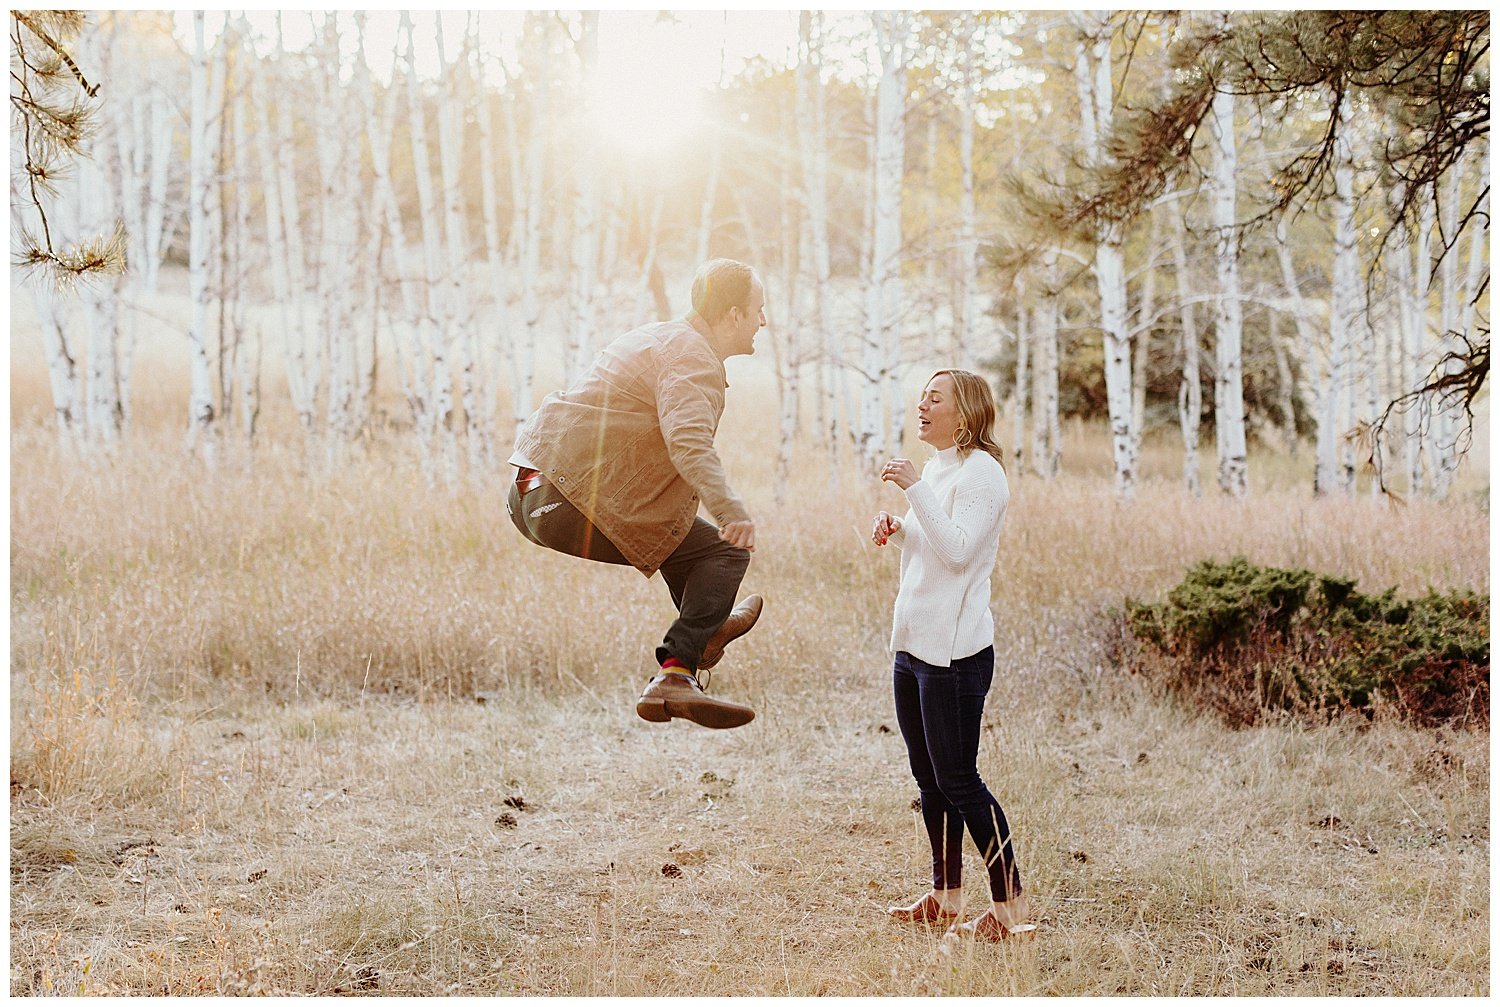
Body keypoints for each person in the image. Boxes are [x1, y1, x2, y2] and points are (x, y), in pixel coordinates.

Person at [506, 258, 766, 730]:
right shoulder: (693, 358)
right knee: (726, 553)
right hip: (567, 496)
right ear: (732, 315)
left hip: (535, 490)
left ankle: (703, 636)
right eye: (757, 310)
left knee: (689, 547)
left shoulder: (662, 336)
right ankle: (679, 669)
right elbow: (688, 442)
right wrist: (731, 511)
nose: (762, 321)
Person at [872, 369, 1036, 942]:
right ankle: (946, 898)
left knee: (959, 779)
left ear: (963, 414)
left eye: (933, 398)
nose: (921, 404)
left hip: (955, 655)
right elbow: (936, 545)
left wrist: (913, 489)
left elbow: (961, 552)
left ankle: (1010, 912)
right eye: (923, 395)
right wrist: (899, 529)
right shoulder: (943, 468)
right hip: (913, 643)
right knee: (928, 777)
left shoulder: (983, 473)